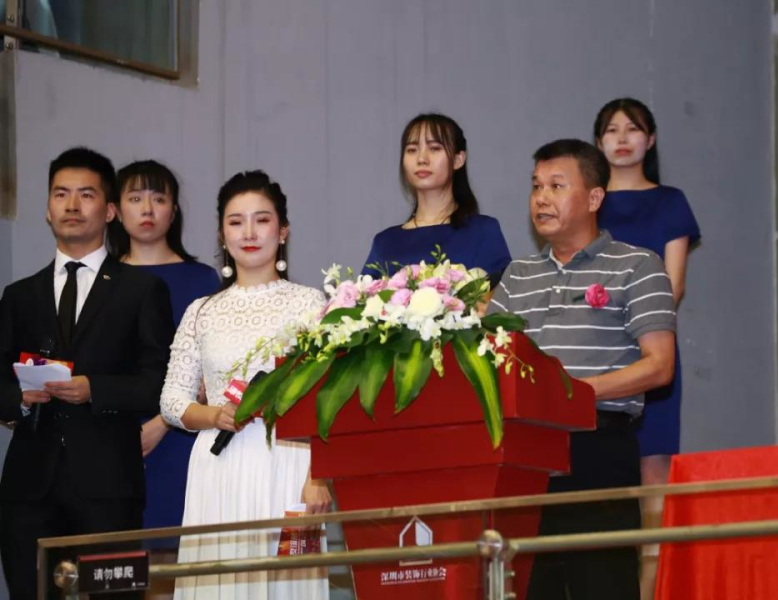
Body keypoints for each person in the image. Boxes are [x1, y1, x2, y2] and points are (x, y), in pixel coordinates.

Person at [489, 139, 676, 600]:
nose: (541, 198)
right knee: (529, 588)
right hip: (524, 456)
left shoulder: (639, 265)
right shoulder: (516, 276)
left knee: (603, 586)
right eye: (536, 186)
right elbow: (490, 362)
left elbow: (660, 366)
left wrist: (573, 392)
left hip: (598, 447)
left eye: (557, 186)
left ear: (594, 198)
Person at [0, 147, 174, 599]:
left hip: (108, 487)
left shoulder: (142, 290)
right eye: (61, 194)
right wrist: (19, 399)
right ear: (47, 209)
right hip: (29, 489)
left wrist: (94, 389)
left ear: (110, 211)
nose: (72, 206)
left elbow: (158, 382)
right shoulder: (19, 295)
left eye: (86, 194)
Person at [160, 170, 330, 599]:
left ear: (283, 230)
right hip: (219, 468)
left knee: (289, 584)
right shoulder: (201, 311)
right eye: (236, 222)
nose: (249, 233)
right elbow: (172, 400)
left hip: (290, 465)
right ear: (222, 234)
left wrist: (319, 478)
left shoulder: (311, 303)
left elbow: (328, 401)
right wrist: (213, 414)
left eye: (262, 220)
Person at [594, 97, 701, 598]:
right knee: (603, 479)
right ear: (598, 142)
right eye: (611, 130)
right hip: (594, 357)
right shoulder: (589, 201)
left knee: (654, 478)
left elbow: (672, 286)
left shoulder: (670, 202)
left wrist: (627, 324)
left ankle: (651, 590)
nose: (622, 138)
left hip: (651, 351)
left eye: (632, 129)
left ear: (650, 139)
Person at [108, 160, 220, 531]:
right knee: (112, 557)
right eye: (135, 198)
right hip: (109, 442)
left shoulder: (202, 280)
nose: (147, 209)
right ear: (115, 210)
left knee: (175, 551)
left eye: (158, 199)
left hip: (181, 436)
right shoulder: (99, 279)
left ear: (173, 212)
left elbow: (211, 371)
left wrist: (161, 424)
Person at [362, 113, 511, 285]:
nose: (422, 159)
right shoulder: (385, 242)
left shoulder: (483, 231)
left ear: (458, 159)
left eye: (434, 148)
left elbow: (501, 296)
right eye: (412, 150)